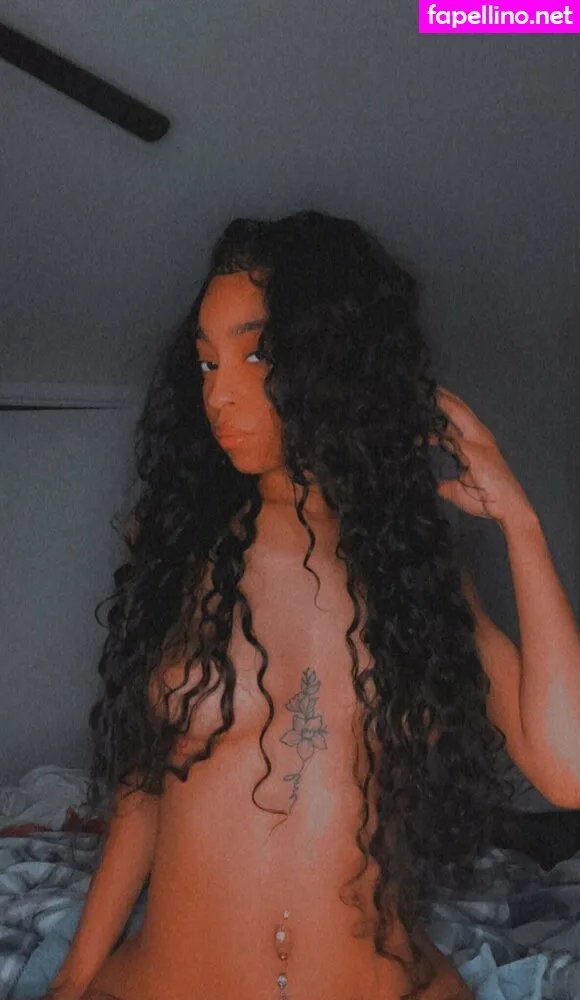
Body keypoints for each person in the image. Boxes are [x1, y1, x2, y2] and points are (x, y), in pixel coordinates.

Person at [45, 209, 580, 1000]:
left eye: (255, 353)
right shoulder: (177, 547)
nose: (219, 392)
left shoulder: (412, 567)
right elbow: (145, 791)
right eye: (206, 362)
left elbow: (569, 773)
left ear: (331, 358)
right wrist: (73, 979)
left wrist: (521, 526)